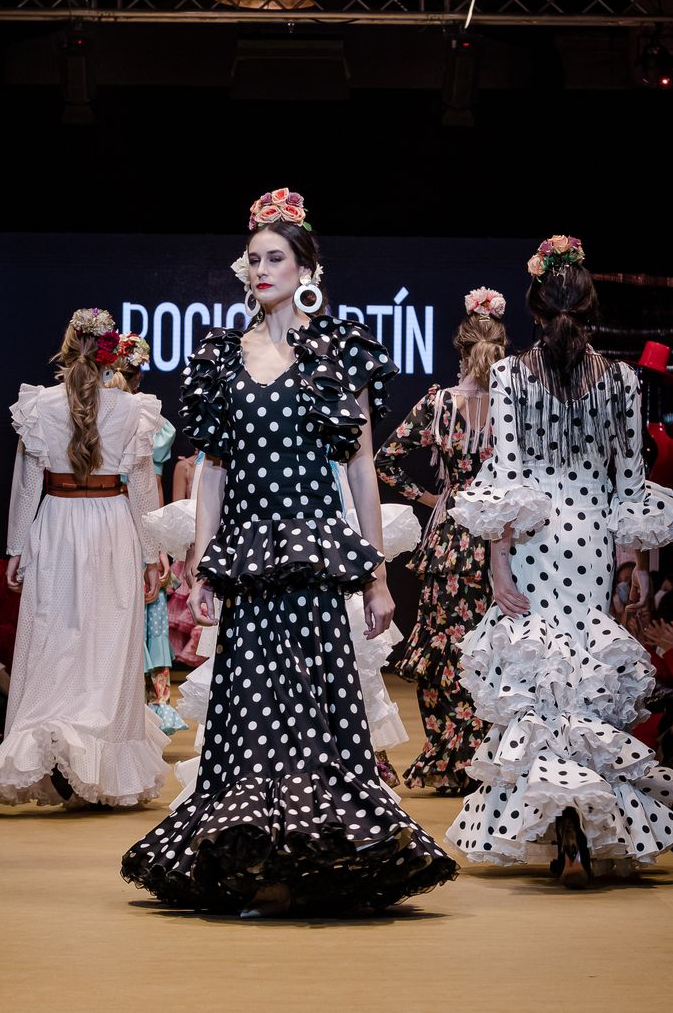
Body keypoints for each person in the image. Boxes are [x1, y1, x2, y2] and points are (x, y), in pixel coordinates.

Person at [121, 188, 457, 916]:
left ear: (306, 266)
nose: (261, 269)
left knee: (313, 715)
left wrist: (376, 577)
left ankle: (315, 857)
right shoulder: (221, 355)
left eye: (275, 258)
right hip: (247, 559)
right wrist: (201, 564)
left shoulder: (338, 349)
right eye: (253, 259)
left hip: (314, 557)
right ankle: (255, 859)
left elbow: (360, 467)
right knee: (249, 714)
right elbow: (213, 470)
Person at [445, 234, 673, 887]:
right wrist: (633, 562)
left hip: (534, 540)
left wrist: (498, 562)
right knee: (583, 672)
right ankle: (578, 820)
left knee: (539, 678)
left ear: (534, 308)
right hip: (590, 539)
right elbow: (628, 481)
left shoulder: (510, 376)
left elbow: (507, 478)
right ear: (590, 310)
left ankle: (563, 823)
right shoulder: (622, 380)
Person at [0, 307, 171, 807]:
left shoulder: (40, 406)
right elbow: (143, 487)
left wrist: (17, 548)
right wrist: (152, 554)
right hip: (111, 526)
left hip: (58, 524)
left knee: (55, 642)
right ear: (110, 356)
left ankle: (59, 746)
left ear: (66, 349)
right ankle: (96, 764)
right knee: (108, 646)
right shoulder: (132, 409)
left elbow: (26, 486)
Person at [373, 286, 507, 794]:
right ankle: (495, 761)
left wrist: (434, 499)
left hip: (451, 539)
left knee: (445, 649)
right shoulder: (515, 406)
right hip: (505, 539)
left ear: (460, 349)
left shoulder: (439, 404)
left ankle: (453, 762)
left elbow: (385, 461)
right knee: (497, 650)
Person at [100, 330, 185, 736]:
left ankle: (120, 703)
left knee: (119, 611)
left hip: (100, 521)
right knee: (148, 609)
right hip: (132, 522)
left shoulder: (93, 414)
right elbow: (152, 487)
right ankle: (154, 704)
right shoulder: (150, 420)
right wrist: (159, 544)